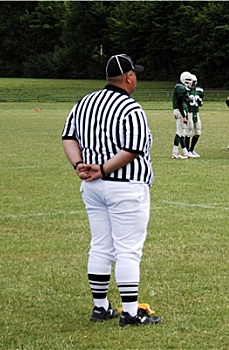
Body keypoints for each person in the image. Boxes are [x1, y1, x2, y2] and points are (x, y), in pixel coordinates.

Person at [61, 54, 161, 327]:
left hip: (92, 187)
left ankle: (101, 307)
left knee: (101, 246)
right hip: (125, 186)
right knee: (128, 250)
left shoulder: (84, 103)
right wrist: (104, 168)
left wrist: (79, 165)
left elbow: (68, 137)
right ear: (129, 77)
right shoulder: (131, 108)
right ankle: (130, 313)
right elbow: (133, 148)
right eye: (135, 74)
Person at [172, 71, 194, 159]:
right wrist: (184, 116)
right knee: (179, 132)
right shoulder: (180, 87)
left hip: (179, 111)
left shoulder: (180, 87)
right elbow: (180, 102)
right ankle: (175, 152)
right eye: (187, 79)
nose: (189, 81)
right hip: (180, 111)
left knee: (181, 133)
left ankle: (185, 151)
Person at [185, 74, 204, 157]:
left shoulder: (199, 90)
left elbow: (201, 103)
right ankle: (187, 150)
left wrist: (200, 102)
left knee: (198, 132)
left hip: (196, 112)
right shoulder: (185, 90)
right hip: (189, 112)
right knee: (188, 131)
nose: (193, 84)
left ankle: (192, 149)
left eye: (194, 82)